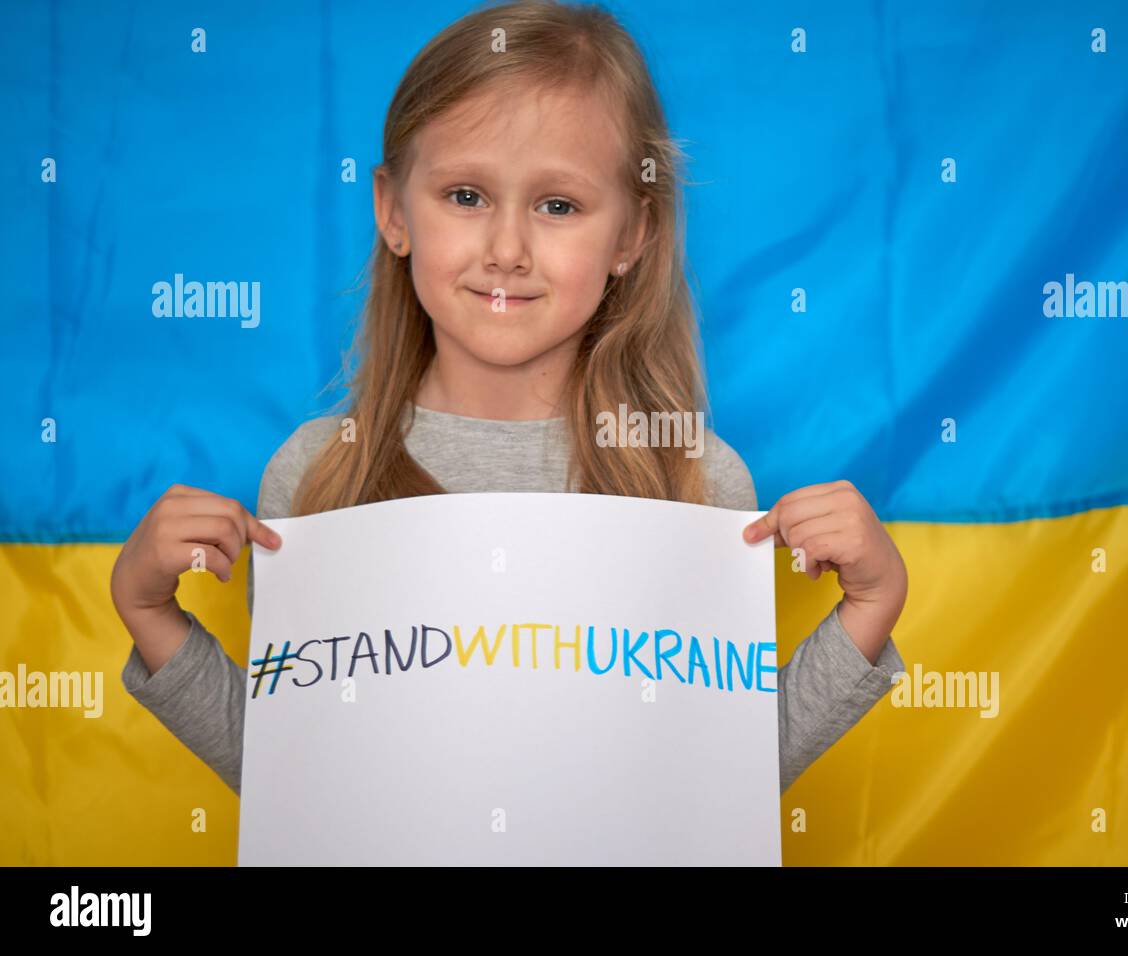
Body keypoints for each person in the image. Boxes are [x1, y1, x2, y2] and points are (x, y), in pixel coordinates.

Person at [110, 0, 908, 799]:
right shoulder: (316, 477)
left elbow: (712, 789)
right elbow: (303, 787)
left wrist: (870, 608)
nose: (506, 250)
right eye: (465, 195)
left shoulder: (696, 482)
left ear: (632, 236)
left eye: (557, 206)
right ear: (393, 212)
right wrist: (150, 616)